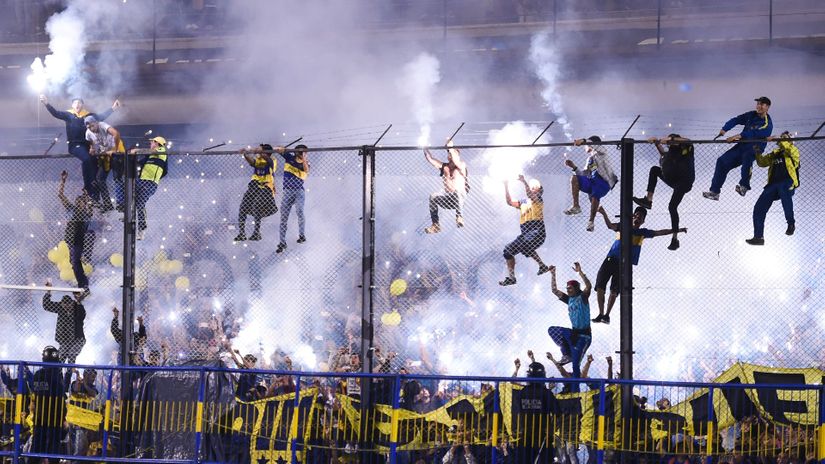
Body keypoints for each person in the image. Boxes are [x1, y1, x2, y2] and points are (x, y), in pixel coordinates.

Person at [591, 206, 687, 324]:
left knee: (614, 290)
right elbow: (610, 226)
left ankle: (606, 315)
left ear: (643, 221)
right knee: (600, 286)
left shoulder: (642, 232)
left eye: (641, 217)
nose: (638, 217)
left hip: (624, 264)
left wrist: (677, 230)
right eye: (636, 215)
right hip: (611, 259)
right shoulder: (622, 226)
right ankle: (601, 314)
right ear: (632, 216)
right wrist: (603, 213)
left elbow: (660, 232)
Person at [40, 95, 121, 203]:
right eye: (75, 103)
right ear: (72, 105)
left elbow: (101, 117)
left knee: (95, 164)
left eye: (79, 103)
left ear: (82, 105)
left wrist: (113, 108)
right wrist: (46, 103)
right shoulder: (68, 114)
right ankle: (88, 189)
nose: (77, 104)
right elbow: (55, 113)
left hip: (87, 146)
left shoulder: (88, 115)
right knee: (87, 159)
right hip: (75, 145)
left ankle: (95, 196)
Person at [633, 134, 695, 250]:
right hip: (674, 179)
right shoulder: (671, 153)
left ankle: (675, 238)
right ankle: (648, 200)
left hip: (684, 182)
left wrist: (670, 139)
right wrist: (656, 143)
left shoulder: (687, 148)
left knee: (672, 207)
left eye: (671, 144)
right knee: (655, 170)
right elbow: (663, 153)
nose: (670, 146)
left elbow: (688, 140)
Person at [703, 97, 773, 200]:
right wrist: (725, 129)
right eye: (758, 104)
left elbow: (754, 134)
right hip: (741, 146)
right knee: (722, 161)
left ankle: (744, 186)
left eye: (761, 104)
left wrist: (738, 136)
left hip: (754, 148)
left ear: (767, 107)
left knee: (747, 158)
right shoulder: (751, 115)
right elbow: (737, 119)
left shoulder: (767, 123)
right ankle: (714, 192)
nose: (759, 106)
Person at [745, 131, 800, 245]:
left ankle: (791, 224)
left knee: (786, 199)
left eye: (784, 137)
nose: (782, 139)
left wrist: (780, 140)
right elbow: (762, 163)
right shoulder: (775, 153)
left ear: (790, 140)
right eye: (782, 137)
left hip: (786, 181)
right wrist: (757, 151)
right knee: (759, 208)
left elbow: (788, 148)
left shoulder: (793, 150)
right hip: (772, 184)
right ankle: (758, 237)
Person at [547, 262, 592, 391]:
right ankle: (566, 354)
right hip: (574, 334)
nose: (568, 290)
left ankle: (575, 392)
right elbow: (554, 290)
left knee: (575, 366)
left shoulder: (583, 297)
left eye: (570, 288)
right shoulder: (569, 299)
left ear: (576, 288)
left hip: (584, 337)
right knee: (553, 330)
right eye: (567, 288)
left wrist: (580, 272)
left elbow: (589, 286)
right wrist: (553, 274)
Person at [499, 175, 550, 286]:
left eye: (535, 187)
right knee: (507, 251)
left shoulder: (538, 200)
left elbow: (530, 195)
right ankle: (512, 278)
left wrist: (524, 181)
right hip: (526, 233)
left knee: (525, 244)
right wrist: (506, 185)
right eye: (532, 187)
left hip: (537, 231)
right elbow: (509, 202)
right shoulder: (523, 202)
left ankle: (542, 265)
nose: (532, 188)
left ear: (539, 191)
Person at [563, 136, 618, 231]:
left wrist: (583, 141)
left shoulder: (602, 152)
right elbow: (584, 174)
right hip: (592, 182)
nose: (585, 146)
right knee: (575, 178)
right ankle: (576, 206)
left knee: (595, 195)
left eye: (587, 145)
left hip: (604, 183)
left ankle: (591, 222)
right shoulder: (590, 159)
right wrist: (574, 167)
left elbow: (597, 146)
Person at [30, 345, 68, 464]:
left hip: (41, 417)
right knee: (52, 449)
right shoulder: (56, 376)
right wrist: (63, 418)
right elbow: (61, 396)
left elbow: (35, 391)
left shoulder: (38, 375)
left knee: (37, 447)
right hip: (54, 418)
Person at [58, 170, 94, 290]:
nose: (80, 204)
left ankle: (83, 285)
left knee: (75, 262)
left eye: (82, 202)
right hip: (70, 239)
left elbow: (90, 206)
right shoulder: (72, 209)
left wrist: (87, 195)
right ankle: (83, 284)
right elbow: (61, 195)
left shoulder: (86, 214)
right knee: (74, 263)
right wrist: (63, 181)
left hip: (77, 240)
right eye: (79, 202)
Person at [234, 144, 278, 241]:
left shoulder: (273, 160)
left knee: (256, 205)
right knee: (242, 207)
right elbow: (252, 162)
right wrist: (245, 154)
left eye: (260, 150)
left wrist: (258, 151)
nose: (258, 151)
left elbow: (268, 160)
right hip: (254, 185)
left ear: (266, 152)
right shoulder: (259, 159)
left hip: (266, 187)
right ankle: (242, 233)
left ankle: (256, 233)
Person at [423, 143, 468, 233]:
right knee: (433, 196)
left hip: (459, 199)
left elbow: (456, 160)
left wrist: (450, 147)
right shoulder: (445, 167)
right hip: (448, 200)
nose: (451, 155)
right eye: (449, 154)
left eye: (453, 153)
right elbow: (430, 159)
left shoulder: (461, 165)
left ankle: (459, 217)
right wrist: (424, 148)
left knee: (457, 192)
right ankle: (435, 225)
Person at [130, 136, 168, 240]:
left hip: (150, 183)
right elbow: (140, 163)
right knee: (131, 198)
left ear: (157, 143)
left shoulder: (162, 150)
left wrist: (136, 151)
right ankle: (128, 216)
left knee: (140, 204)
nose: (150, 144)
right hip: (141, 180)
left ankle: (142, 228)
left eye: (152, 142)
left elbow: (164, 171)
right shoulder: (149, 156)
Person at [84, 115, 125, 212]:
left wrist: (115, 150)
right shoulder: (88, 132)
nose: (91, 129)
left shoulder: (102, 125)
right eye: (89, 127)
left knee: (117, 178)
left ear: (96, 123)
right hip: (106, 153)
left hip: (116, 151)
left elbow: (116, 133)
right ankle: (107, 204)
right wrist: (92, 148)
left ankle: (121, 204)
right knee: (100, 178)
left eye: (92, 126)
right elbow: (90, 142)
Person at [275, 144, 309, 253]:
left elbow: (306, 171)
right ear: (296, 152)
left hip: (299, 191)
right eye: (300, 152)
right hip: (287, 191)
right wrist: (281, 148)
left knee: (300, 211)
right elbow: (277, 149)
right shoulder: (289, 157)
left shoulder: (305, 163)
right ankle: (282, 242)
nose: (302, 153)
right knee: (283, 218)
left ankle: (302, 235)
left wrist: (304, 159)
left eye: (304, 152)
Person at [43, 281, 87, 363]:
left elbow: (81, 316)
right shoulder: (60, 307)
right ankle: (58, 371)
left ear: (72, 303)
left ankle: (70, 370)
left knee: (71, 355)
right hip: (65, 340)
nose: (67, 307)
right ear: (62, 304)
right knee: (60, 358)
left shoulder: (77, 307)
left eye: (69, 305)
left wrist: (79, 303)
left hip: (77, 339)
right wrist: (48, 292)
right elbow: (46, 305)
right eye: (64, 305)